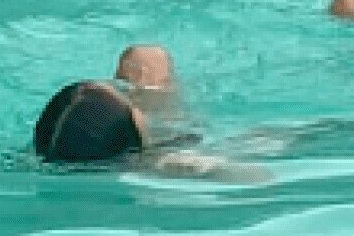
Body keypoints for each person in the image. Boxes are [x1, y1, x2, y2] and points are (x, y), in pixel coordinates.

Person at [32, 45, 263, 180]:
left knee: (143, 59)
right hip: (165, 148)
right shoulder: (168, 160)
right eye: (127, 97)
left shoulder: (44, 157)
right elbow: (256, 176)